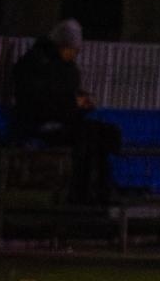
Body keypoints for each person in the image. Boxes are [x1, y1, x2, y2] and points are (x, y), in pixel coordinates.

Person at [9, 18, 121, 205]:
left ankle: (101, 190)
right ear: (61, 45)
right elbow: (35, 102)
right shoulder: (34, 63)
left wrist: (82, 101)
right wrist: (73, 102)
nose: (75, 54)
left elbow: (65, 94)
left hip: (65, 120)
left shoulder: (66, 66)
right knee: (87, 136)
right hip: (41, 123)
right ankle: (81, 193)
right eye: (72, 49)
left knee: (107, 133)